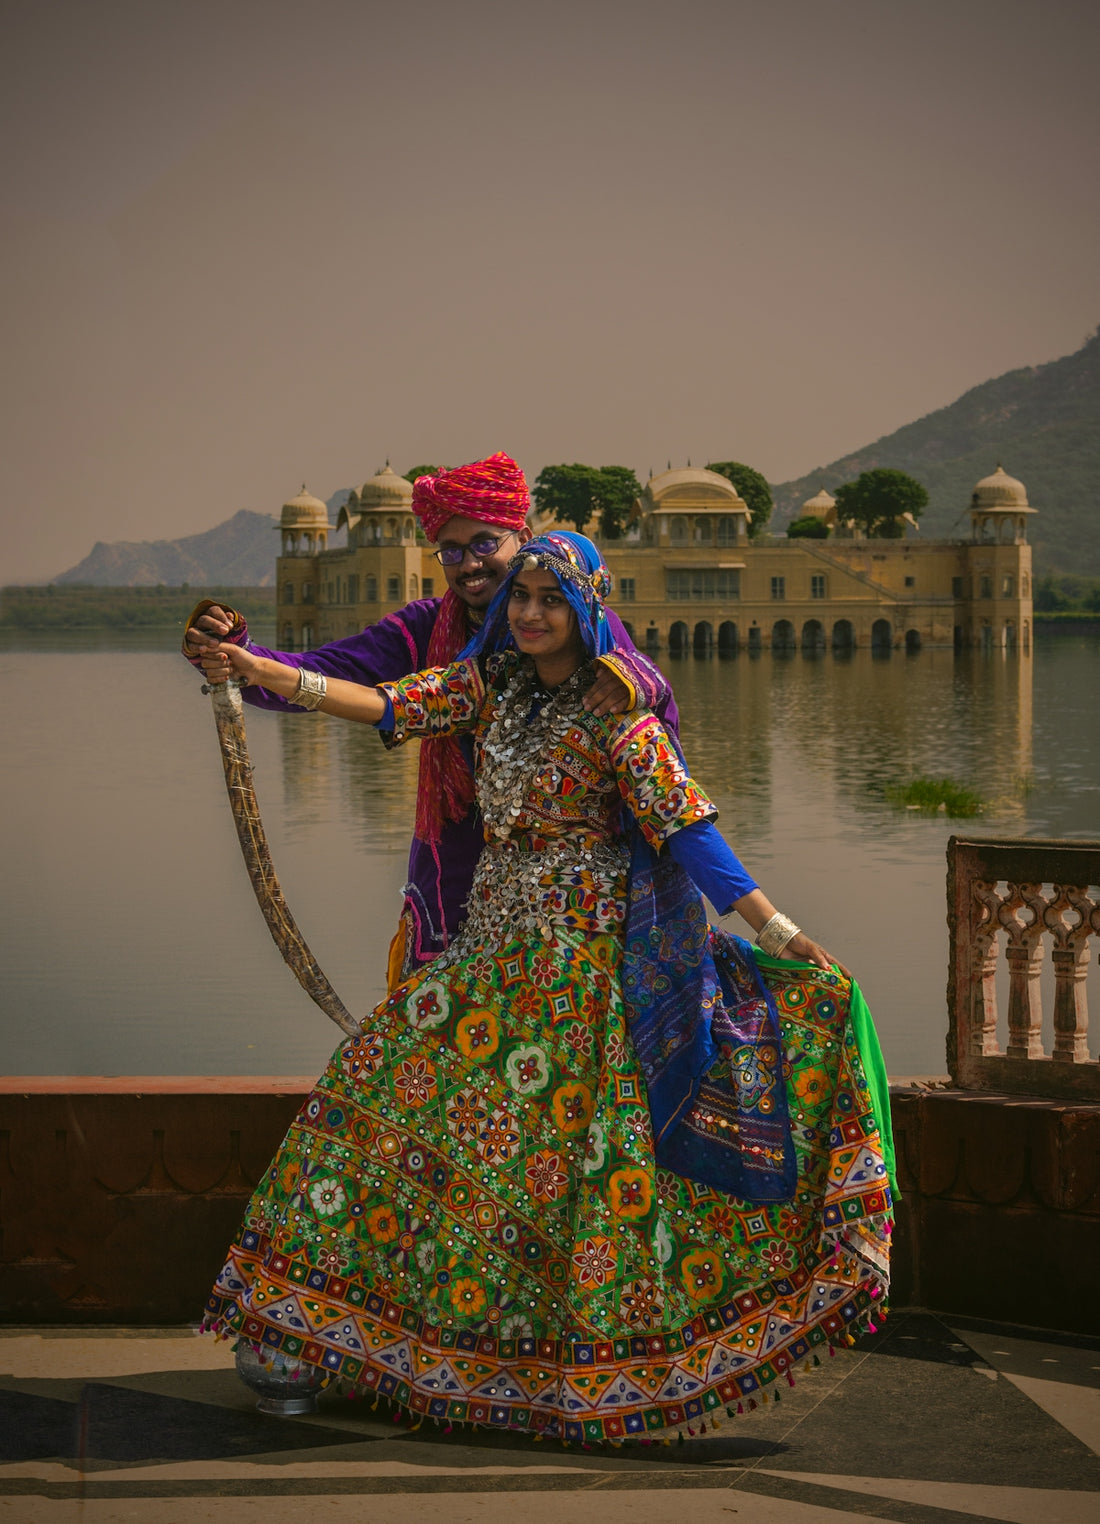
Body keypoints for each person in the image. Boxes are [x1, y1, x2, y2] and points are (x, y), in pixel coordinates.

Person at [199, 532, 894, 1445]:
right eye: (518, 596)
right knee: (374, 1095)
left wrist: (782, 932)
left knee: (571, 1174)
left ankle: (567, 1373)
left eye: (548, 601)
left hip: (584, 976)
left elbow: (688, 832)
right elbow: (386, 705)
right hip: (488, 959)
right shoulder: (488, 689)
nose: (526, 614)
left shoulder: (620, 715)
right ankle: (318, 1338)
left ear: (587, 611)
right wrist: (262, 671)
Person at [183, 452, 674, 981]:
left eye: (486, 543)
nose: (469, 564)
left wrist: (638, 679)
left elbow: (657, 752)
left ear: (523, 537)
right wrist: (238, 657)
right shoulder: (430, 634)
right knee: (435, 1034)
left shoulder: (582, 628)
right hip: (457, 864)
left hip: (574, 898)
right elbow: (331, 680)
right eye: (452, 550)